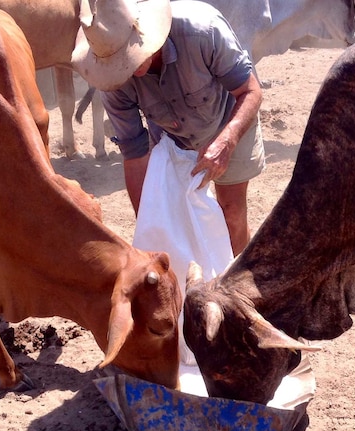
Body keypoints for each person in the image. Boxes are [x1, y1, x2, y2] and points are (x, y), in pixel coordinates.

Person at [72, 0, 264, 256]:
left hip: (228, 120)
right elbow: (135, 156)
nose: (127, 68)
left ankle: (235, 285)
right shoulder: (114, 85)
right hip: (172, 140)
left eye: (128, 56)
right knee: (174, 225)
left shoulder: (202, 31)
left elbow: (250, 91)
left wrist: (227, 141)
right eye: (119, 63)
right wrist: (150, 227)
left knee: (231, 214)